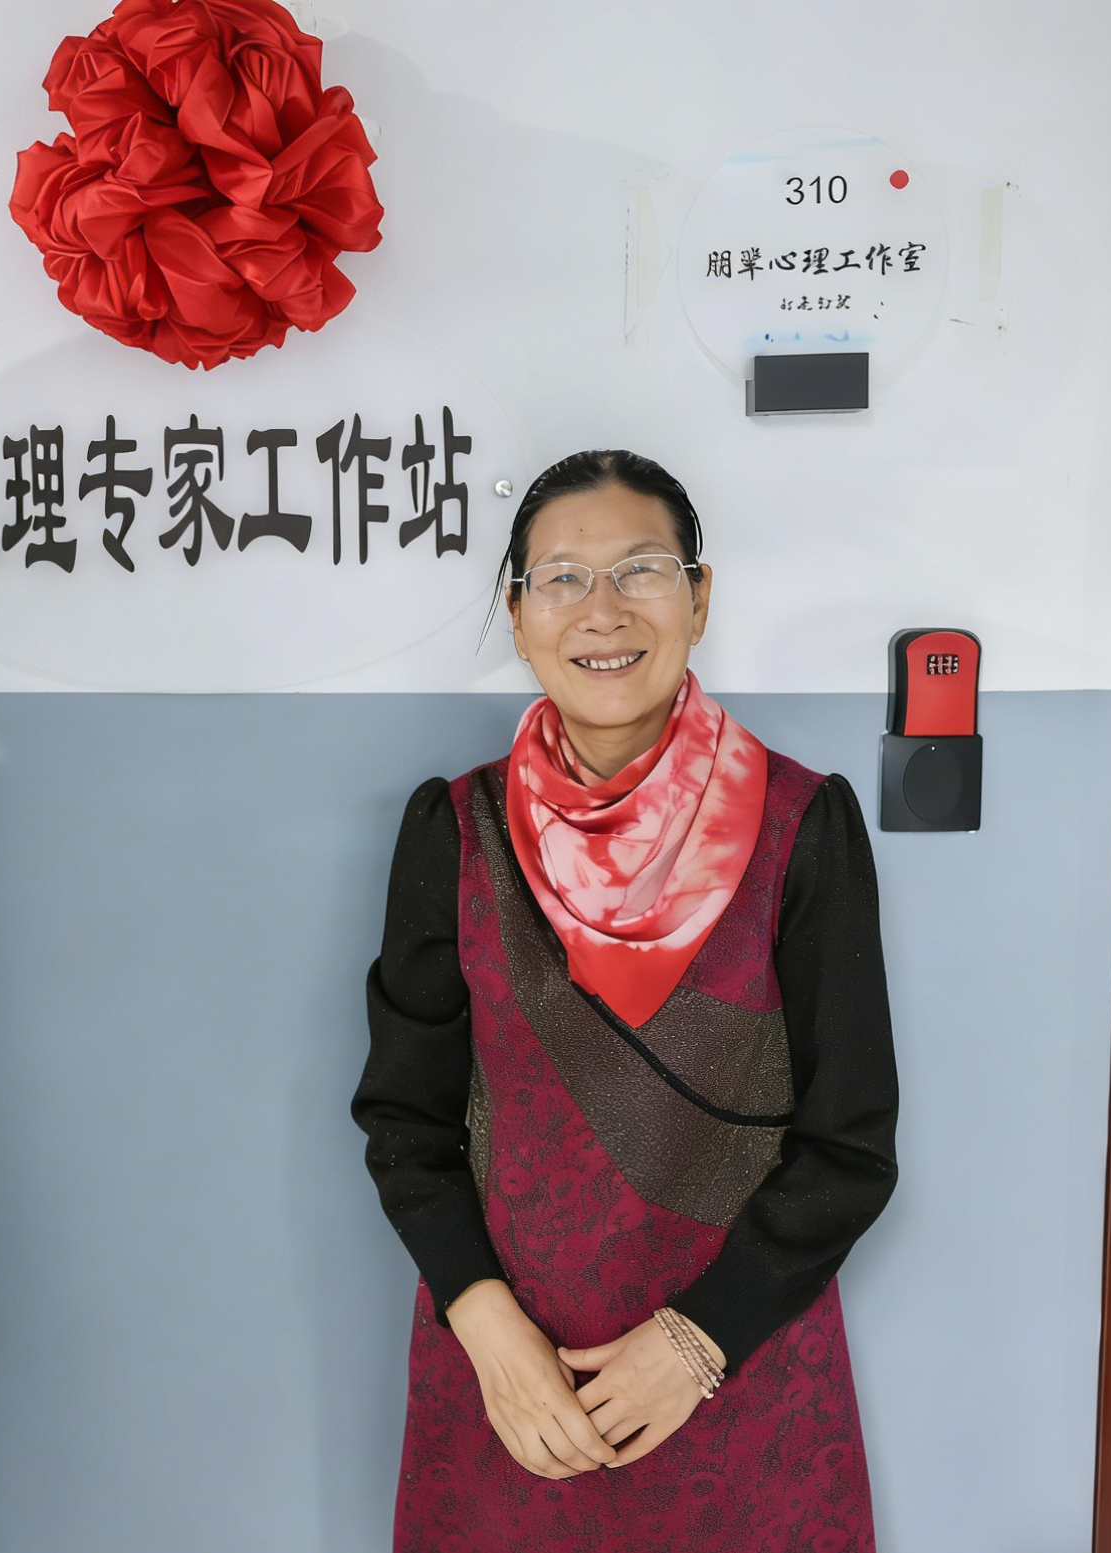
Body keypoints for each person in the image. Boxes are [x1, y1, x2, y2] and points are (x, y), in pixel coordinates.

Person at [352, 450, 898, 1550]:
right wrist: (488, 1329)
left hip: (739, 1375)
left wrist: (696, 1343)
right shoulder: (454, 831)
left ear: (698, 597)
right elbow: (406, 1124)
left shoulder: (800, 826)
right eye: (560, 578)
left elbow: (847, 1149)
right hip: (516, 1387)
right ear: (517, 617)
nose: (601, 611)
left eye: (641, 569)